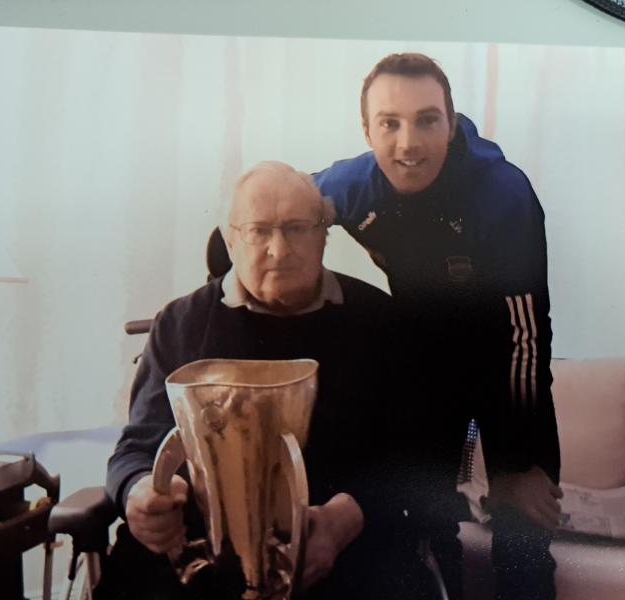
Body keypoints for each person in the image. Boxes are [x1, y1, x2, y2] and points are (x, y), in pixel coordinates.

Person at [100, 161, 426, 599]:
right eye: (259, 231)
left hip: (344, 544)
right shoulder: (180, 323)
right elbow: (136, 447)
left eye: (297, 228)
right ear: (231, 239)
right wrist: (137, 490)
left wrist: (348, 517)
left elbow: (417, 456)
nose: (280, 249)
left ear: (324, 235)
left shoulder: (379, 320)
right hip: (199, 554)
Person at [313, 53, 563, 600]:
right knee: (417, 525)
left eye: (428, 120)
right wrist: (224, 270)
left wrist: (517, 465)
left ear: (451, 124)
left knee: (524, 543)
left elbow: (525, 340)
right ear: (367, 130)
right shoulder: (354, 185)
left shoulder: (503, 194)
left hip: (508, 371)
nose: (408, 143)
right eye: (390, 123)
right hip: (425, 372)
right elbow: (279, 206)